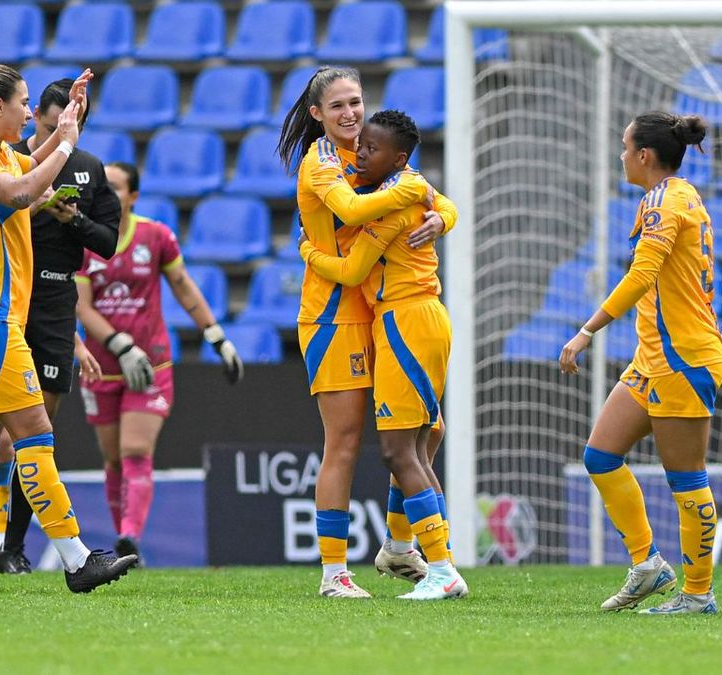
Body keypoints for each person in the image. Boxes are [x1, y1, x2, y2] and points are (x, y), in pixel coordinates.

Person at [0, 64, 136, 592]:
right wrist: (65, 147)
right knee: (35, 433)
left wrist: (65, 130)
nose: (27, 111)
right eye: (24, 102)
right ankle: (78, 560)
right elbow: (18, 192)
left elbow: (28, 165)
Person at [276, 66, 458, 598]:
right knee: (346, 442)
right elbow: (356, 210)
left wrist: (439, 217)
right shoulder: (321, 164)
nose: (350, 114)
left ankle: (400, 547)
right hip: (334, 315)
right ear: (317, 115)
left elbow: (437, 199)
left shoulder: (375, 153)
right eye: (337, 107)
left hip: (381, 311)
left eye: (355, 102)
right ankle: (334, 573)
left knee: (431, 431)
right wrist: (412, 197)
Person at [559, 112, 722, 615]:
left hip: (683, 358)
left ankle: (698, 594)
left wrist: (587, 331)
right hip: (654, 357)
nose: (621, 155)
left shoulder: (662, 201)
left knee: (686, 479)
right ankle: (647, 565)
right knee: (601, 456)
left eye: (624, 147)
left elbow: (641, 275)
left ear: (644, 156)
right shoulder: (681, 194)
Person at [76, 161, 242, 564]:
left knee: (135, 449)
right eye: (103, 187)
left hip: (151, 365)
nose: (108, 193)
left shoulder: (155, 236)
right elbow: (81, 307)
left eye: (115, 187)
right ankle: (123, 538)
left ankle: (130, 535)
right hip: (101, 366)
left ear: (132, 195)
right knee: (113, 457)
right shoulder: (83, 242)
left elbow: (183, 287)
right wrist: (118, 344)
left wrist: (216, 336)